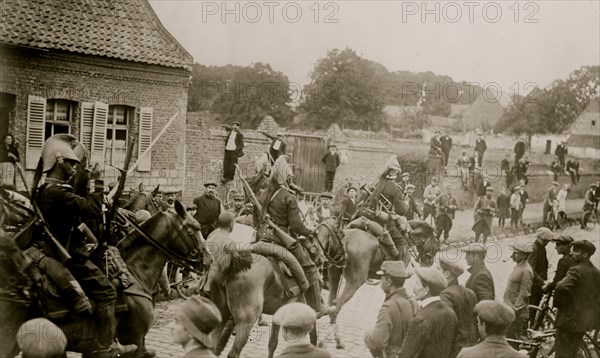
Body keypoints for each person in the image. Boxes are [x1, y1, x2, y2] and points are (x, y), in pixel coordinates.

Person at [33, 134, 136, 355]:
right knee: (108, 292)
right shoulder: (57, 192)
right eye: (71, 163)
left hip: (61, 248)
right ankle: (104, 347)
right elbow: (91, 210)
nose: (74, 167)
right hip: (70, 255)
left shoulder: (47, 189)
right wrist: (97, 183)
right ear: (59, 161)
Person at [253, 170, 330, 316]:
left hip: (260, 239)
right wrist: (310, 232)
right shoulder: (289, 197)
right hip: (280, 241)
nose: (292, 180)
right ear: (286, 179)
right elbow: (296, 227)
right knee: (310, 266)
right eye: (290, 177)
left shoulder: (261, 194)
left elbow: (255, 220)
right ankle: (316, 306)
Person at [397, 267, 457, 358]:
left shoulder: (420, 319)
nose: (413, 287)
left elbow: (405, 355)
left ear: (426, 290)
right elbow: (454, 350)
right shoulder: (451, 313)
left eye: (416, 283)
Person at [554, 240, 600, 358]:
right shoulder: (596, 272)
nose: (571, 253)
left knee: (562, 354)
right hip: (584, 322)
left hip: (568, 321)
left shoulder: (575, 270)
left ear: (585, 255)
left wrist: (560, 306)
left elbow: (560, 287)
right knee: (573, 352)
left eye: (576, 251)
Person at [364, 261, 417, 358]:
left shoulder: (388, 307)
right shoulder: (412, 302)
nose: (381, 281)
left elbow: (377, 341)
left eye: (382, 278)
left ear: (389, 282)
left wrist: (367, 336)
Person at [457, 300, 527, 358]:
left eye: (478, 322)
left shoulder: (466, 354)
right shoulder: (521, 357)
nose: (477, 325)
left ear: (484, 326)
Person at [438, 258, 478, 353]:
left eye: (439, 270)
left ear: (446, 274)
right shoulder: (470, 292)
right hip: (471, 346)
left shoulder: (445, 295)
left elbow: (445, 326)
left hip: (455, 348)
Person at [503, 242, 533, 344]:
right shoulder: (519, 267)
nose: (512, 255)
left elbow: (524, 295)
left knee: (513, 343)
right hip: (511, 313)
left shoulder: (525, 271)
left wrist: (514, 311)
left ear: (523, 255)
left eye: (515, 253)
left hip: (516, 315)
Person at [528, 228, 552, 325]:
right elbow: (531, 269)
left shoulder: (542, 248)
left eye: (548, 241)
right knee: (532, 307)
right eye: (544, 240)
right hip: (534, 285)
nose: (546, 243)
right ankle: (529, 328)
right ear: (538, 238)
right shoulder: (534, 249)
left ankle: (534, 325)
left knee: (538, 305)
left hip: (539, 284)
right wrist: (542, 281)